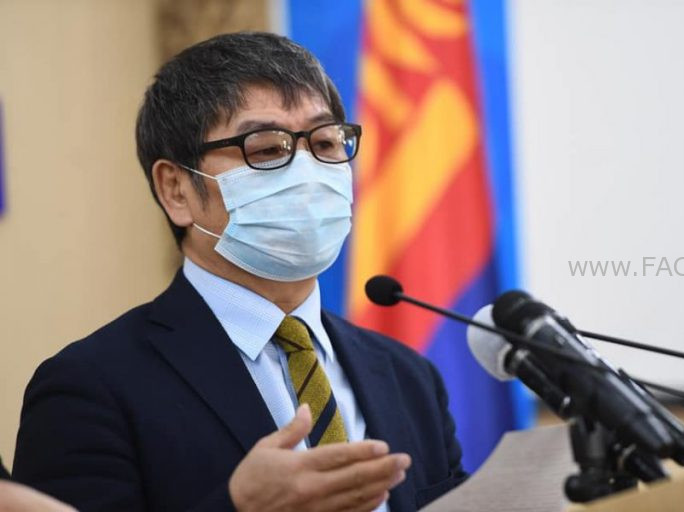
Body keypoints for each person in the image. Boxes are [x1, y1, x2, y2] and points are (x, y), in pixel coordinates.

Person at [12, 32, 467, 511]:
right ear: (177, 190)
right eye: (266, 149)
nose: (309, 171)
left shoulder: (408, 375)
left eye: (326, 142)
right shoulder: (90, 386)